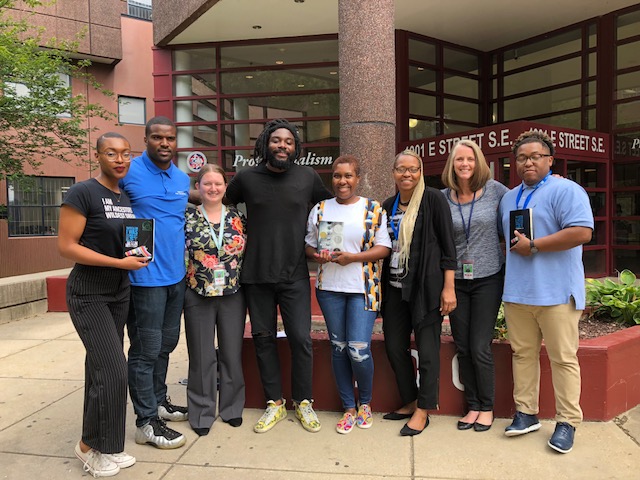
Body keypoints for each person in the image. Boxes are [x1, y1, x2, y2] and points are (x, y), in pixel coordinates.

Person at [225, 118, 332, 433]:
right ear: (265, 144)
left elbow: (332, 209)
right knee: (264, 340)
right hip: (255, 276)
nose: (282, 145)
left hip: (294, 275)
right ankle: (275, 403)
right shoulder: (246, 178)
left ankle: (303, 402)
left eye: (288, 141)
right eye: (276, 140)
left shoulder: (307, 177)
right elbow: (218, 203)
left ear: (295, 147)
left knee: (301, 339)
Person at [58, 132, 149, 477]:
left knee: (99, 371)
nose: (120, 159)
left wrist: (135, 257)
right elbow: (67, 246)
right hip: (89, 292)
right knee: (113, 370)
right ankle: (90, 448)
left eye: (126, 153)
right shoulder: (83, 192)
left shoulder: (123, 196)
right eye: (112, 153)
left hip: (118, 291)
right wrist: (118, 264)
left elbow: (119, 243)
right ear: (97, 156)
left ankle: (100, 444)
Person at [498, 130, 593, 454]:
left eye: (535, 156)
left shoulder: (567, 190)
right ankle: (526, 413)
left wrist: (535, 245)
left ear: (550, 160)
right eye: (522, 158)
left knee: (563, 359)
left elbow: (582, 232)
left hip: (556, 294)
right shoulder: (509, 197)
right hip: (517, 294)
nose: (528, 162)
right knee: (522, 355)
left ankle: (567, 422)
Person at [305, 155, 391, 434]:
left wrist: (353, 257)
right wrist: (317, 255)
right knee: (339, 348)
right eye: (337, 176)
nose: (342, 181)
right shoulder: (320, 209)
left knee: (358, 349)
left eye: (348, 176)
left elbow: (384, 248)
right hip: (330, 288)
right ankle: (348, 408)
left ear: (358, 178)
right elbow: (308, 246)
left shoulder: (372, 209)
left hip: (362, 288)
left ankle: (365, 402)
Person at [120, 116, 190, 449]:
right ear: (146, 139)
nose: (165, 144)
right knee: (145, 350)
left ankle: (159, 400)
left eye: (171, 138)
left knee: (166, 344)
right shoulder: (128, 172)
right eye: (158, 138)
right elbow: (110, 213)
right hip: (144, 279)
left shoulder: (181, 178)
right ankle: (146, 421)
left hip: (176, 277)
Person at [380, 148, 457, 436]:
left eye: (413, 169)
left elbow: (449, 248)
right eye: (401, 169)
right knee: (394, 346)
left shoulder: (434, 199)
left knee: (426, 351)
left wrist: (449, 288)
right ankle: (410, 400)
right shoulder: (388, 205)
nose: (407, 174)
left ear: (420, 172)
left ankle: (424, 410)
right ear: (394, 173)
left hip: (426, 289)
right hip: (395, 289)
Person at [441, 140, 509, 432]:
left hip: (488, 279)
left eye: (470, 159)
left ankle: (487, 406)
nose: (465, 164)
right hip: (455, 281)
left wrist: (553, 181)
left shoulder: (496, 191)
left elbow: (526, 200)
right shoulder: (443, 197)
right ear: (452, 165)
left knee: (480, 346)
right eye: (459, 160)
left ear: (478, 162)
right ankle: (472, 406)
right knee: (464, 346)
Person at [184, 164, 247, 436]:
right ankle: (201, 411)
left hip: (232, 292)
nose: (213, 188)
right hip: (197, 292)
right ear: (198, 187)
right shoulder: (186, 216)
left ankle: (232, 408)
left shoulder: (238, 217)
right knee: (201, 355)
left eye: (218, 184)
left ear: (225, 187)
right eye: (207, 183)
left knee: (232, 353)